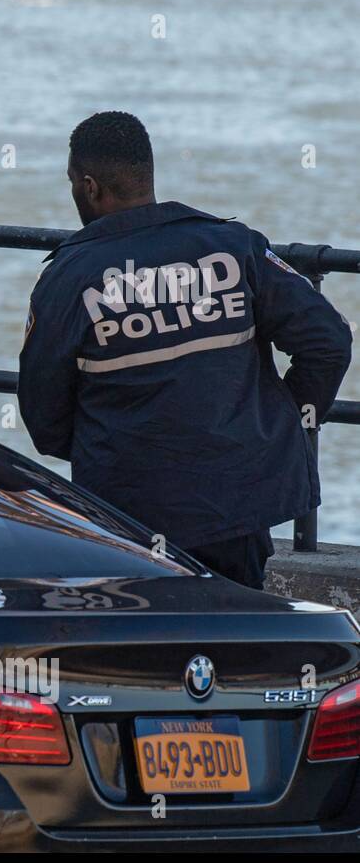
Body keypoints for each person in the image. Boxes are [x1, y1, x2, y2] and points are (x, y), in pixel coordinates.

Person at [19, 111, 352, 589]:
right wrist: (286, 422)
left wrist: (111, 450)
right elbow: (329, 341)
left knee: (144, 645)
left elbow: (43, 417)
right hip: (239, 499)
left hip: (126, 509)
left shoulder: (68, 278)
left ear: (89, 186)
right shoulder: (232, 246)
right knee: (238, 641)